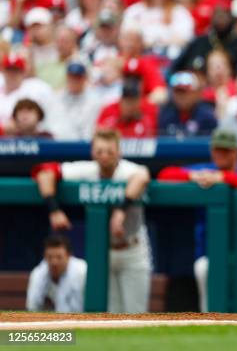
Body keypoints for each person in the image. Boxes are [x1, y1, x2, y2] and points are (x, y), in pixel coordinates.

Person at [32, 129, 152, 313]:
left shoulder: (129, 170)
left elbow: (142, 177)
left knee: (135, 313)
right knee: (109, 313)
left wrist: (120, 212)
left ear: (119, 152)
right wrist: (54, 209)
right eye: (99, 151)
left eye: (110, 151)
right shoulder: (88, 169)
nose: (104, 156)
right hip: (103, 252)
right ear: (92, 152)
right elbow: (44, 172)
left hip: (132, 249)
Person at [157, 129, 237, 312]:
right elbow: (165, 175)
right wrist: (191, 176)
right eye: (217, 150)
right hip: (207, 251)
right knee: (207, 284)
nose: (221, 155)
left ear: (236, 152)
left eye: (226, 150)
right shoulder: (205, 170)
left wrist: (224, 178)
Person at [26, 235, 87, 313]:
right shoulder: (37, 274)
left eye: (59, 257)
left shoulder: (83, 271)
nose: (54, 262)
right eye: (50, 257)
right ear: (44, 257)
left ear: (69, 256)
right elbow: (32, 308)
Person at [52, 60, 103, 140]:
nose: (74, 80)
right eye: (71, 77)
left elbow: (92, 129)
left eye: (78, 77)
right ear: (67, 77)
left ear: (85, 78)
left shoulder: (95, 100)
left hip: (84, 144)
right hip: (60, 143)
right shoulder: (57, 97)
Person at [158, 71, 217, 137]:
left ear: (196, 93)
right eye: (177, 91)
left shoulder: (207, 116)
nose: (181, 96)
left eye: (185, 91)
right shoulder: (165, 116)